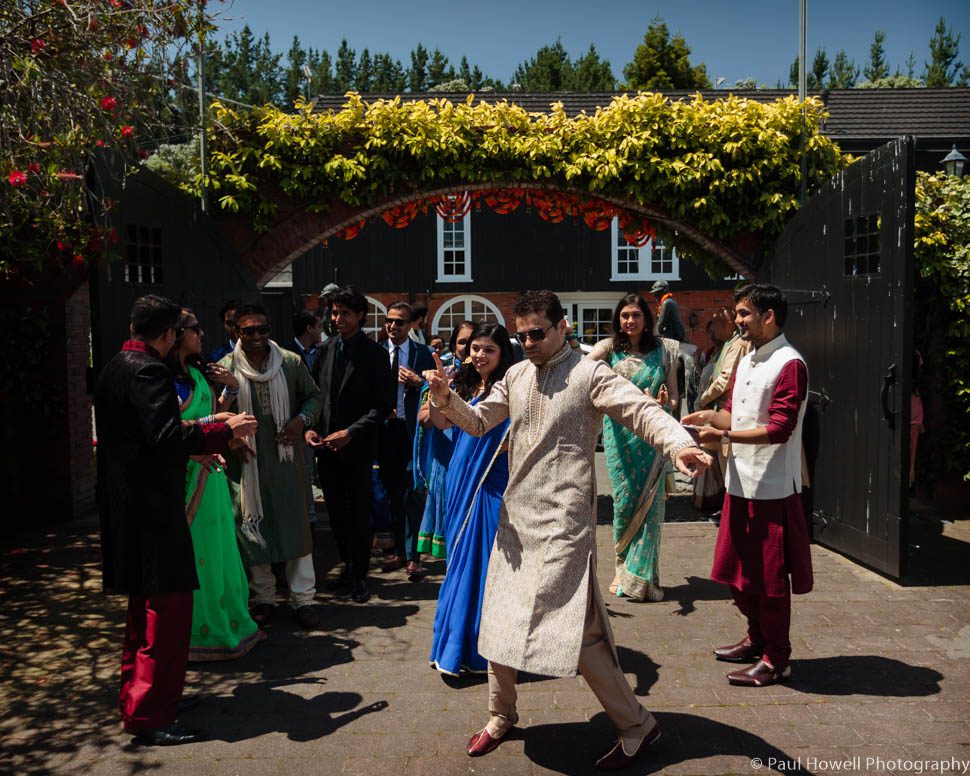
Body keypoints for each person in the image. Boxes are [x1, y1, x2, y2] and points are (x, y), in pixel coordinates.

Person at [423, 290, 710, 770]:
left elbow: (640, 409)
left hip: (564, 525)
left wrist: (678, 444)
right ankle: (501, 714)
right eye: (522, 336)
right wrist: (444, 397)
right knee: (497, 617)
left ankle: (637, 725)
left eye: (537, 333)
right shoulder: (516, 375)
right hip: (515, 522)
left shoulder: (589, 373)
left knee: (574, 633)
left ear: (562, 327)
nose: (529, 343)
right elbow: (477, 422)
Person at [96, 294, 257, 746]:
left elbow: (145, 436)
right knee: (164, 620)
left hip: (128, 510)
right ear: (168, 334)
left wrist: (205, 429)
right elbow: (166, 437)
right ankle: (150, 715)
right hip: (153, 514)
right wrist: (223, 429)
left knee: (143, 616)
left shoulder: (114, 367)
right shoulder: (149, 372)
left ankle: (144, 698)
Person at [682, 283, 813, 688]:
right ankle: (757, 639)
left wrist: (722, 436)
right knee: (739, 574)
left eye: (743, 313)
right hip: (740, 483)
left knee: (771, 581)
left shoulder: (790, 363)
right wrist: (707, 418)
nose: (736, 320)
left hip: (773, 488)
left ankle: (777, 658)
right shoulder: (748, 357)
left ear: (768, 316)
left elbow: (780, 429)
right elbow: (732, 415)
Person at [166, 310, 265, 662]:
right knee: (197, 554)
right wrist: (214, 424)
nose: (201, 334)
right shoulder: (164, 380)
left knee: (220, 550)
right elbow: (170, 429)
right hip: (187, 475)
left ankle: (228, 623)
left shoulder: (197, 373)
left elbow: (215, 414)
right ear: (176, 334)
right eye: (194, 329)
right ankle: (196, 633)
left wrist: (231, 388)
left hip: (212, 475)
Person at [219, 304, 322, 628]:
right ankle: (264, 598)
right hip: (246, 463)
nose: (257, 336)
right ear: (236, 331)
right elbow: (213, 412)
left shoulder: (289, 362)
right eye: (249, 331)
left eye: (262, 329)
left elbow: (314, 397)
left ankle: (304, 599)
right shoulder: (225, 368)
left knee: (295, 528)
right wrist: (229, 438)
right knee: (252, 528)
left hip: (286, 462)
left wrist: (300, 421)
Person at [427, 323, 514, 675]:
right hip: (460, 479)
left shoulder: (508, 389)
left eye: (488, 349)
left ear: (502, 354)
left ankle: (479, 650)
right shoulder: (463, 384)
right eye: (476, 348)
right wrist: (439, 392)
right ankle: (452, 645)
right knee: (459, 562)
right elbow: (440, 423)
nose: (479, 355)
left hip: (490, 484)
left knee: (481, 564)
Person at [587, 293, 678, 603]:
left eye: (636, 315)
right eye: (625, 315)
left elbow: (674, 396)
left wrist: (664, 403)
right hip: (619, 436)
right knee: (624, 502)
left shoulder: (665, 351)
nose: (630, 320)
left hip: (651, 436)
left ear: (646, 319)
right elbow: (582, 370)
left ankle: (642, 578)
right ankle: (621, 568)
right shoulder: (609, 348)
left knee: (650, 504)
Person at [307, 286, 394, 604]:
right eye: (334, 313)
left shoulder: (375, 354)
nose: (337, 319)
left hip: (357, 448)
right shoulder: (323, 350)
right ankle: (347, 566)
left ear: (360, 315)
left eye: (344, 313)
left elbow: (383, 406)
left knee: (358, 512)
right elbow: (314, 397)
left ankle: (359, 574)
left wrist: (350, 433)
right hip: (327, 449)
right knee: (336, 514)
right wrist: (310, 429)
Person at [378, 302, 436, 579]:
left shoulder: (423, 354)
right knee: (392, 492)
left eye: (399, 322)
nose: (393, 326)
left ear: (410, 325)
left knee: (413, 490)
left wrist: (418, 382)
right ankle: (399, 550)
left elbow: (438, 391)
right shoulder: (377, 352)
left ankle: (413, 556)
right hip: (386, 430)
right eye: (389, 321)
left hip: (413, 430)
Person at [415, 320, 476, 557]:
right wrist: (442, 397)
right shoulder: (443, 375)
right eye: (462, 342)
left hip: (477, 461)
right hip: (448, 460)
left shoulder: (490, 378)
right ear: (453, 346)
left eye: (473, 342)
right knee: (453, 537)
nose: (468, 347)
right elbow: (423, 419)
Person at [693, 307, 750, 509]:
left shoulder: (737, 346)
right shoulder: (726, 346)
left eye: (717, 323)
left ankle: (730, 509)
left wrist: (703, 400)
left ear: (728, 324)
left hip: (727, 413)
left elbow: (725, 379)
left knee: (728, 466)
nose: (713, 329)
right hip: (719, 411)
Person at [285, 309, 325, 526]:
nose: (322, 332)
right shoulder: (286, 355)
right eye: (319, 327)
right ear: (309, 328)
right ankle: (306, 519)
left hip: (318, 421)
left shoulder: (321, 352)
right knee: (301, 472)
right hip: (295, 423)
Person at [205, 298, 242, 363]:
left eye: (238, 322)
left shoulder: (260, 352)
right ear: (224, 325)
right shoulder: (215, 357)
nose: (234, 328)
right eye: (229, 323)